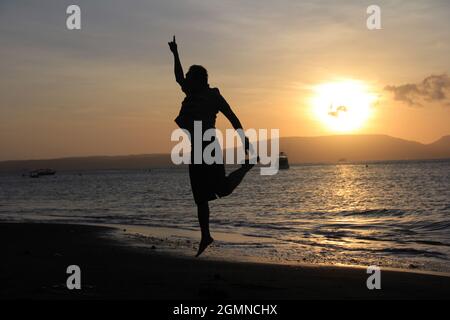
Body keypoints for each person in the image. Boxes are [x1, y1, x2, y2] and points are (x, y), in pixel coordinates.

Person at [168, 35, 256, 257]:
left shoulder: (213, 95)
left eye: (190, 77)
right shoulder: (191, 91)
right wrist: (176, 53)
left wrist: (244, 140)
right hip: (195, 149)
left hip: (208, 145)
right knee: (200, 197)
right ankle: (205, 235)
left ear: (199, 79)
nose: (186, 80)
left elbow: (232, 117)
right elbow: (178, 77)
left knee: (222, 189)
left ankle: (246, 167)